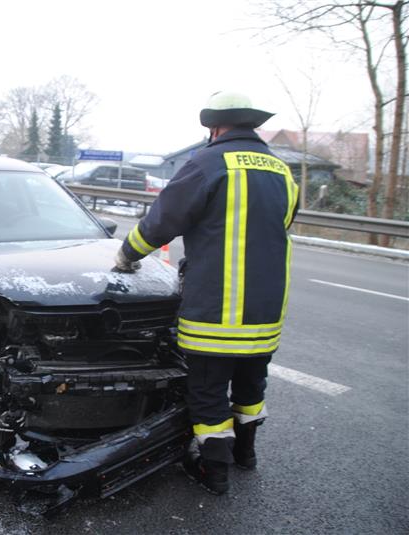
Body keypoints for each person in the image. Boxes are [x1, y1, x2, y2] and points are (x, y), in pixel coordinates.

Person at [114, 91, 299, 495]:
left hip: (216, 309)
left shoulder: (208, 163)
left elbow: (163, 220)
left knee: (208, 391)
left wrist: (127, 254)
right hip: (267, 309)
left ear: (215, 127)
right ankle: (246, 455)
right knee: (252, 384)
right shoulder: (282, 171)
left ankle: (214, 473)